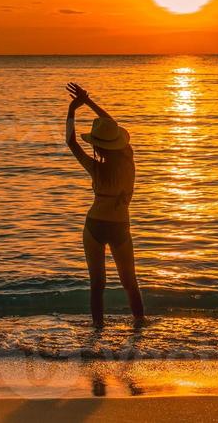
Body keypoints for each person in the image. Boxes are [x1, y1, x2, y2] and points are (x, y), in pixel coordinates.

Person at [64, 82, 146, 329]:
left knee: (97, 285)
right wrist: (89, 102)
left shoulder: (96, 169)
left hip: (94, 227)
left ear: (97, 145)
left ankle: (97, 332)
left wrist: (72, 110)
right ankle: (139, 327)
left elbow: (71, 142)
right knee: (130, 283)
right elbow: (113, 126)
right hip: (120, 227)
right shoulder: (128, 162)